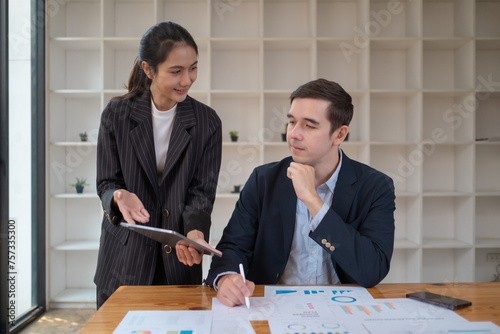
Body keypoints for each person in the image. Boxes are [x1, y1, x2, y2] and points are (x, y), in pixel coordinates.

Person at [206, 78, 395, 307]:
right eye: (292, 122)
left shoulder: (375, 187)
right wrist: (226, 278)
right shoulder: (263, 180)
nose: (294, 134)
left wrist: (313, 201)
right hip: (274, 308)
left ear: (339, 134)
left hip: (345, 307)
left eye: (309, 125)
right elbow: (232, 248)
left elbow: (372, 270)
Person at [94, 21, 222, 308]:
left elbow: (202, 192)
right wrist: (118, 196)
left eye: (193, 68)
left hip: (179, 260)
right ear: (148, 69)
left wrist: (196, 233)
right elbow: (106, 182)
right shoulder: (116, 114)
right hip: (123, 262)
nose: (187, 79)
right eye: (176, 71)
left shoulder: (207, 122)